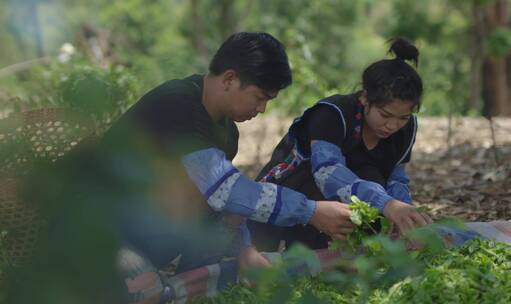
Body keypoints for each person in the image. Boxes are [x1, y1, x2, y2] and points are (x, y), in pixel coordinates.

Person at [96, 32, 355, 303]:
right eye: (259, 97)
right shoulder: (176, 104)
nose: (263, 109)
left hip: (153, 230)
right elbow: (226, 190)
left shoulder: (227, 132)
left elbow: (221, 205)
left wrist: (244, 250)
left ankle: (188, 285)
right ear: (230, 79)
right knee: (145, 292)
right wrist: (310, 211)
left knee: (229, 223)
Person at [249, 37, 433, 251]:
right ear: (365, 98)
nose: (392, 126)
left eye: (402, 118)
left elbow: (396, 179)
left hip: (351, 204)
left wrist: (406, 215)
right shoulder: (333, 113)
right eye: (385, 115)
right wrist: (387, 204)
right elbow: (327, 174)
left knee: (373, 179)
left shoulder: (407, 129)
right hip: (292, 198)